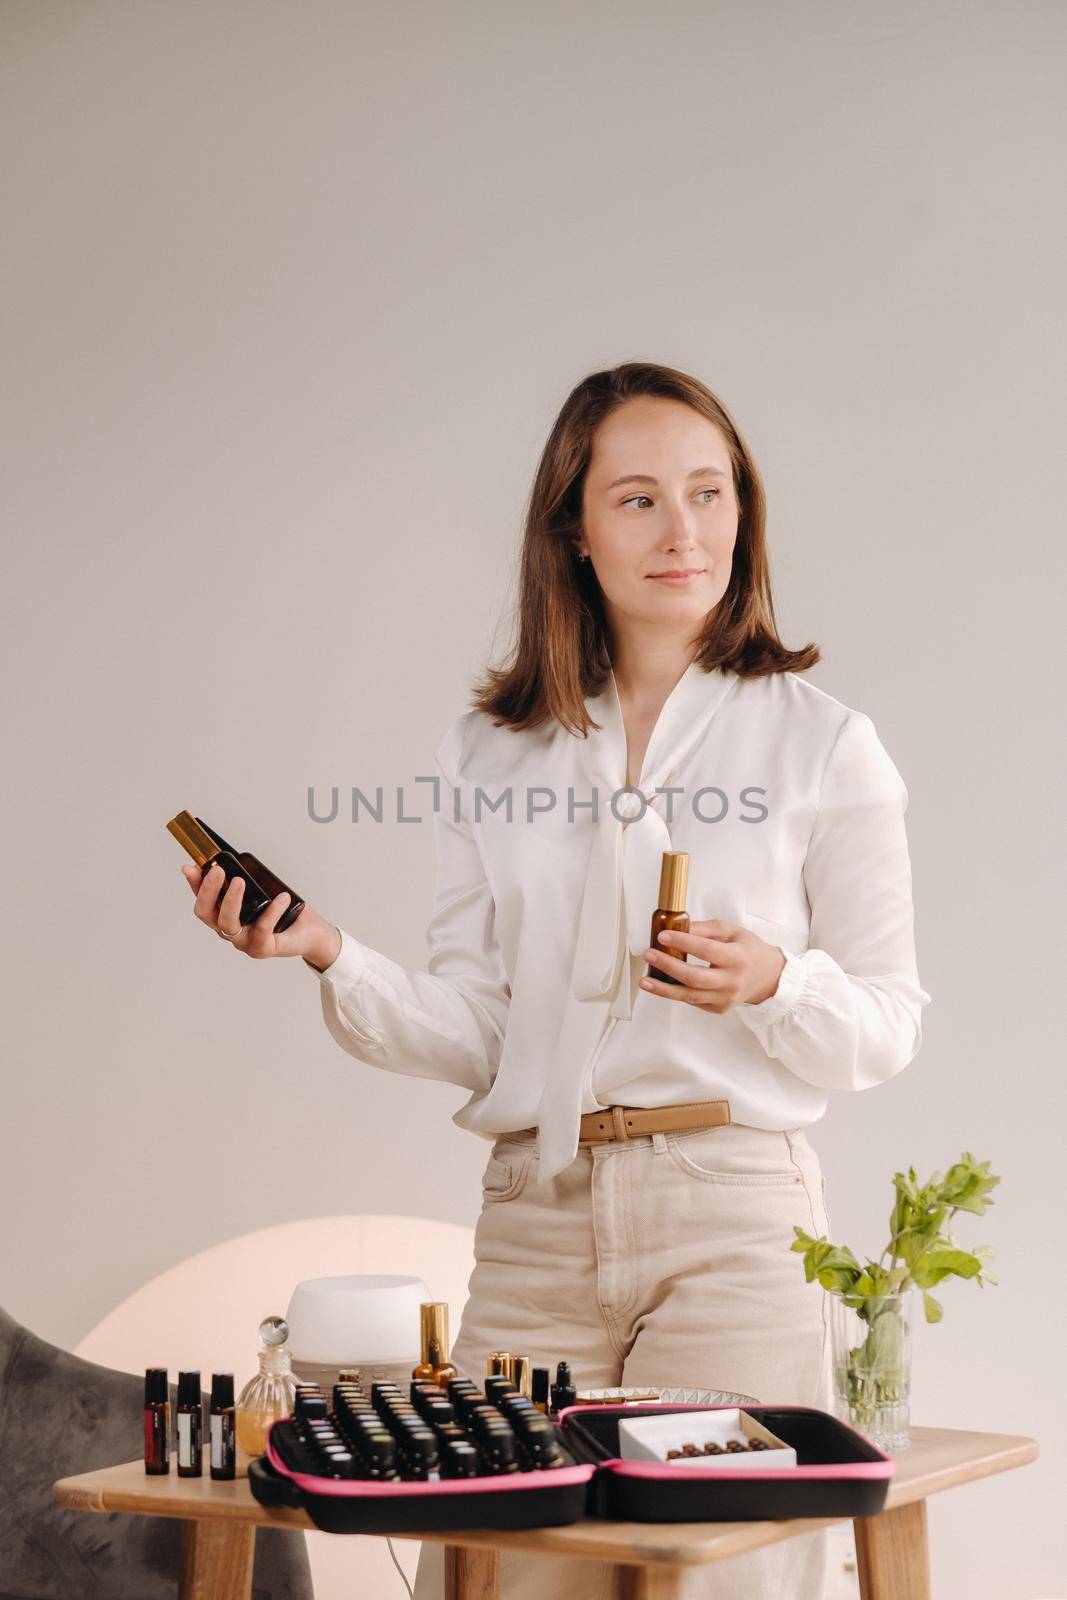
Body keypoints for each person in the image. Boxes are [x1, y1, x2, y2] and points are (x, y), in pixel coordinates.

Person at [180, 361, 931, 1599]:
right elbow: (482, 1028)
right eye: (637, 499)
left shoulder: (822, 745)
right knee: (488, 1577)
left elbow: (887, 1023)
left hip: (732, 1220)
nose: (682, 531)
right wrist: (323, 948)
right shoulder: (492, 749)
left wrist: (771, 982)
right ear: (572, 531)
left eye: (708, 491)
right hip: (536, 1218)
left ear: (742, 510)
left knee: (720, 1582)